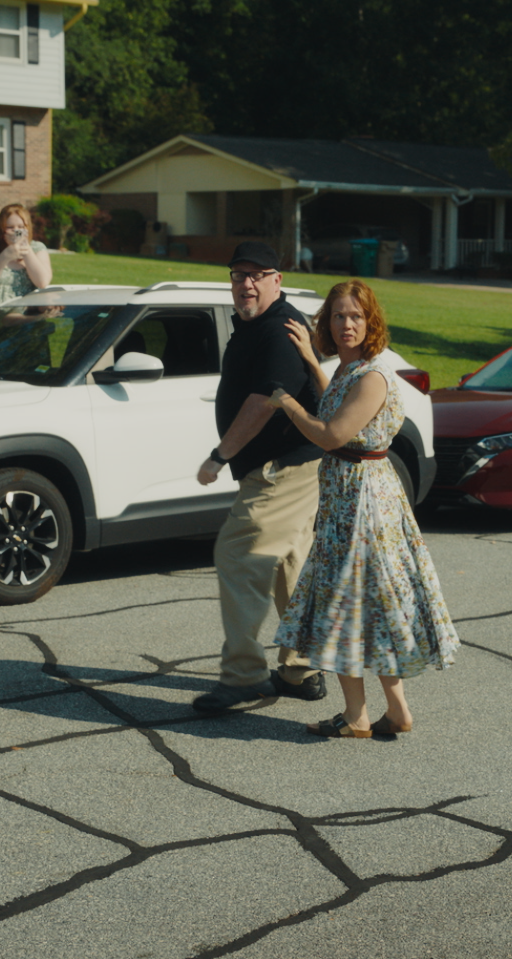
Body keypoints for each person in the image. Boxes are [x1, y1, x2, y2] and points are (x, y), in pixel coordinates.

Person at [268, 280, 458, 738]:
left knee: (343, 607)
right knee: (364, 608)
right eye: (338, 316)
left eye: (356, 316)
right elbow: (336, 400)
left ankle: (358, 717)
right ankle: (395, 712)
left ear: (371, 321)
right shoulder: (350, 371)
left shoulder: (373, 376)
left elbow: (332, 434)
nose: (347, 324)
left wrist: (286, 403)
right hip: (348, 502)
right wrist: (314, 365)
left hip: (361, 507)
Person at [192, 241, 329, 713]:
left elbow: (264, 401)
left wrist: (218, 455)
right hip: (291, 467)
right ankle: (300, 669)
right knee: (289, 565)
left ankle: (245, 676)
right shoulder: (256, 325)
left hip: (282, 470)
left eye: (256, 275)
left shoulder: (279, 330)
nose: (245, 284)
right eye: (237, 275)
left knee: (238, 554)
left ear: (277, 280)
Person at [0, 204, 52, 321]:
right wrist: (5, 256)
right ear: (1, 229)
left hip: (28, 315)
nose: (16, 231)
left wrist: (26, 249)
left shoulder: (37, 248)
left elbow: (42, 282)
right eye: (10, 227)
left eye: (21, 227)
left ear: (27, 228)